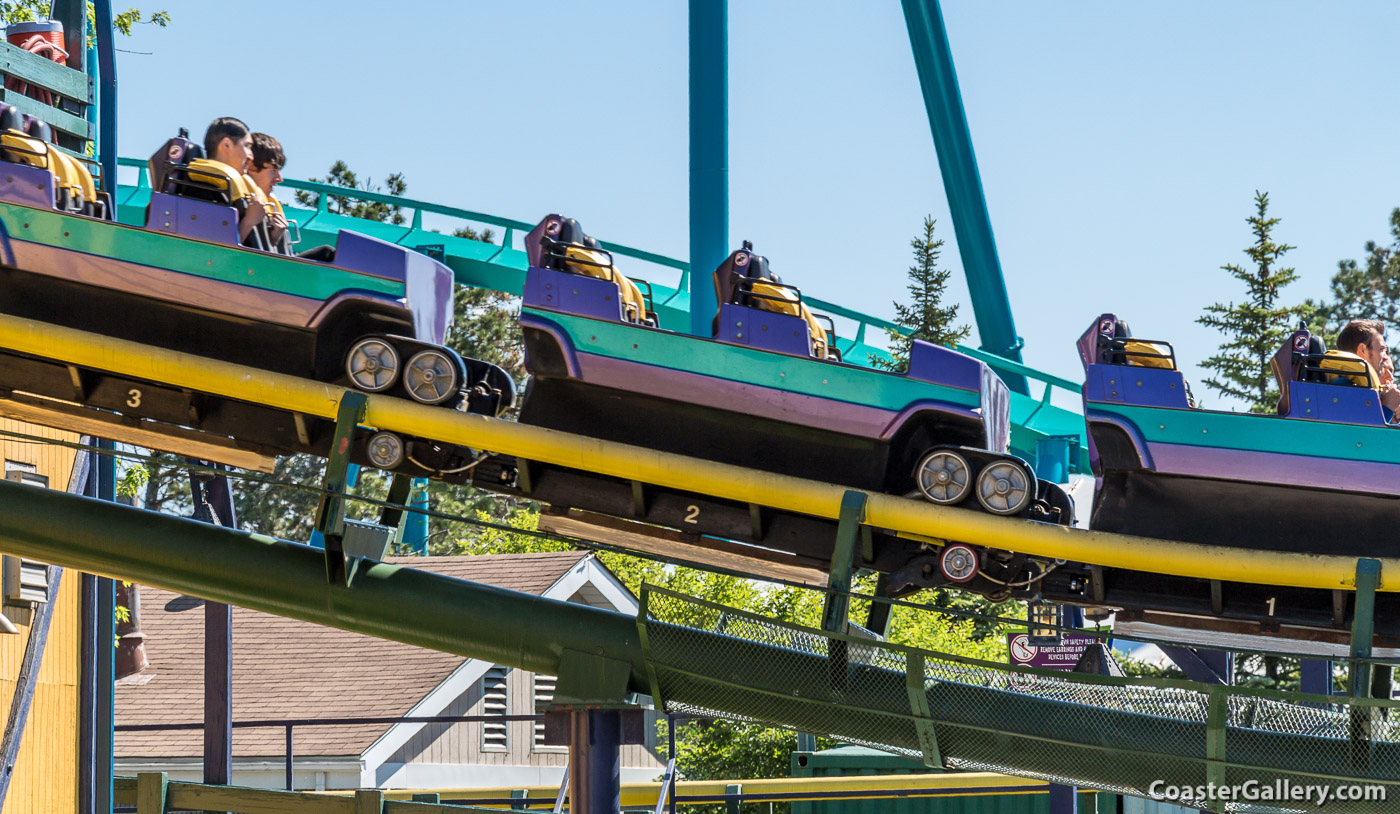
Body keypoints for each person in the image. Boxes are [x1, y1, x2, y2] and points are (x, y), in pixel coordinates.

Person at [1334, 318, 1400, 421]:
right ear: (1362, 350)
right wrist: (1387, 407)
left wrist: (1394, 419)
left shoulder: (1365, 390)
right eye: (1382, 350)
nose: (1386, 356)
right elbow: (1361, 435)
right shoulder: (1343, 387)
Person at [247, 132, 288, 249]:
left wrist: (274, 239)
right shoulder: (239, 201)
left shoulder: (271, 203)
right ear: (250, 167)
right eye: (273, 171)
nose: (279, 179)